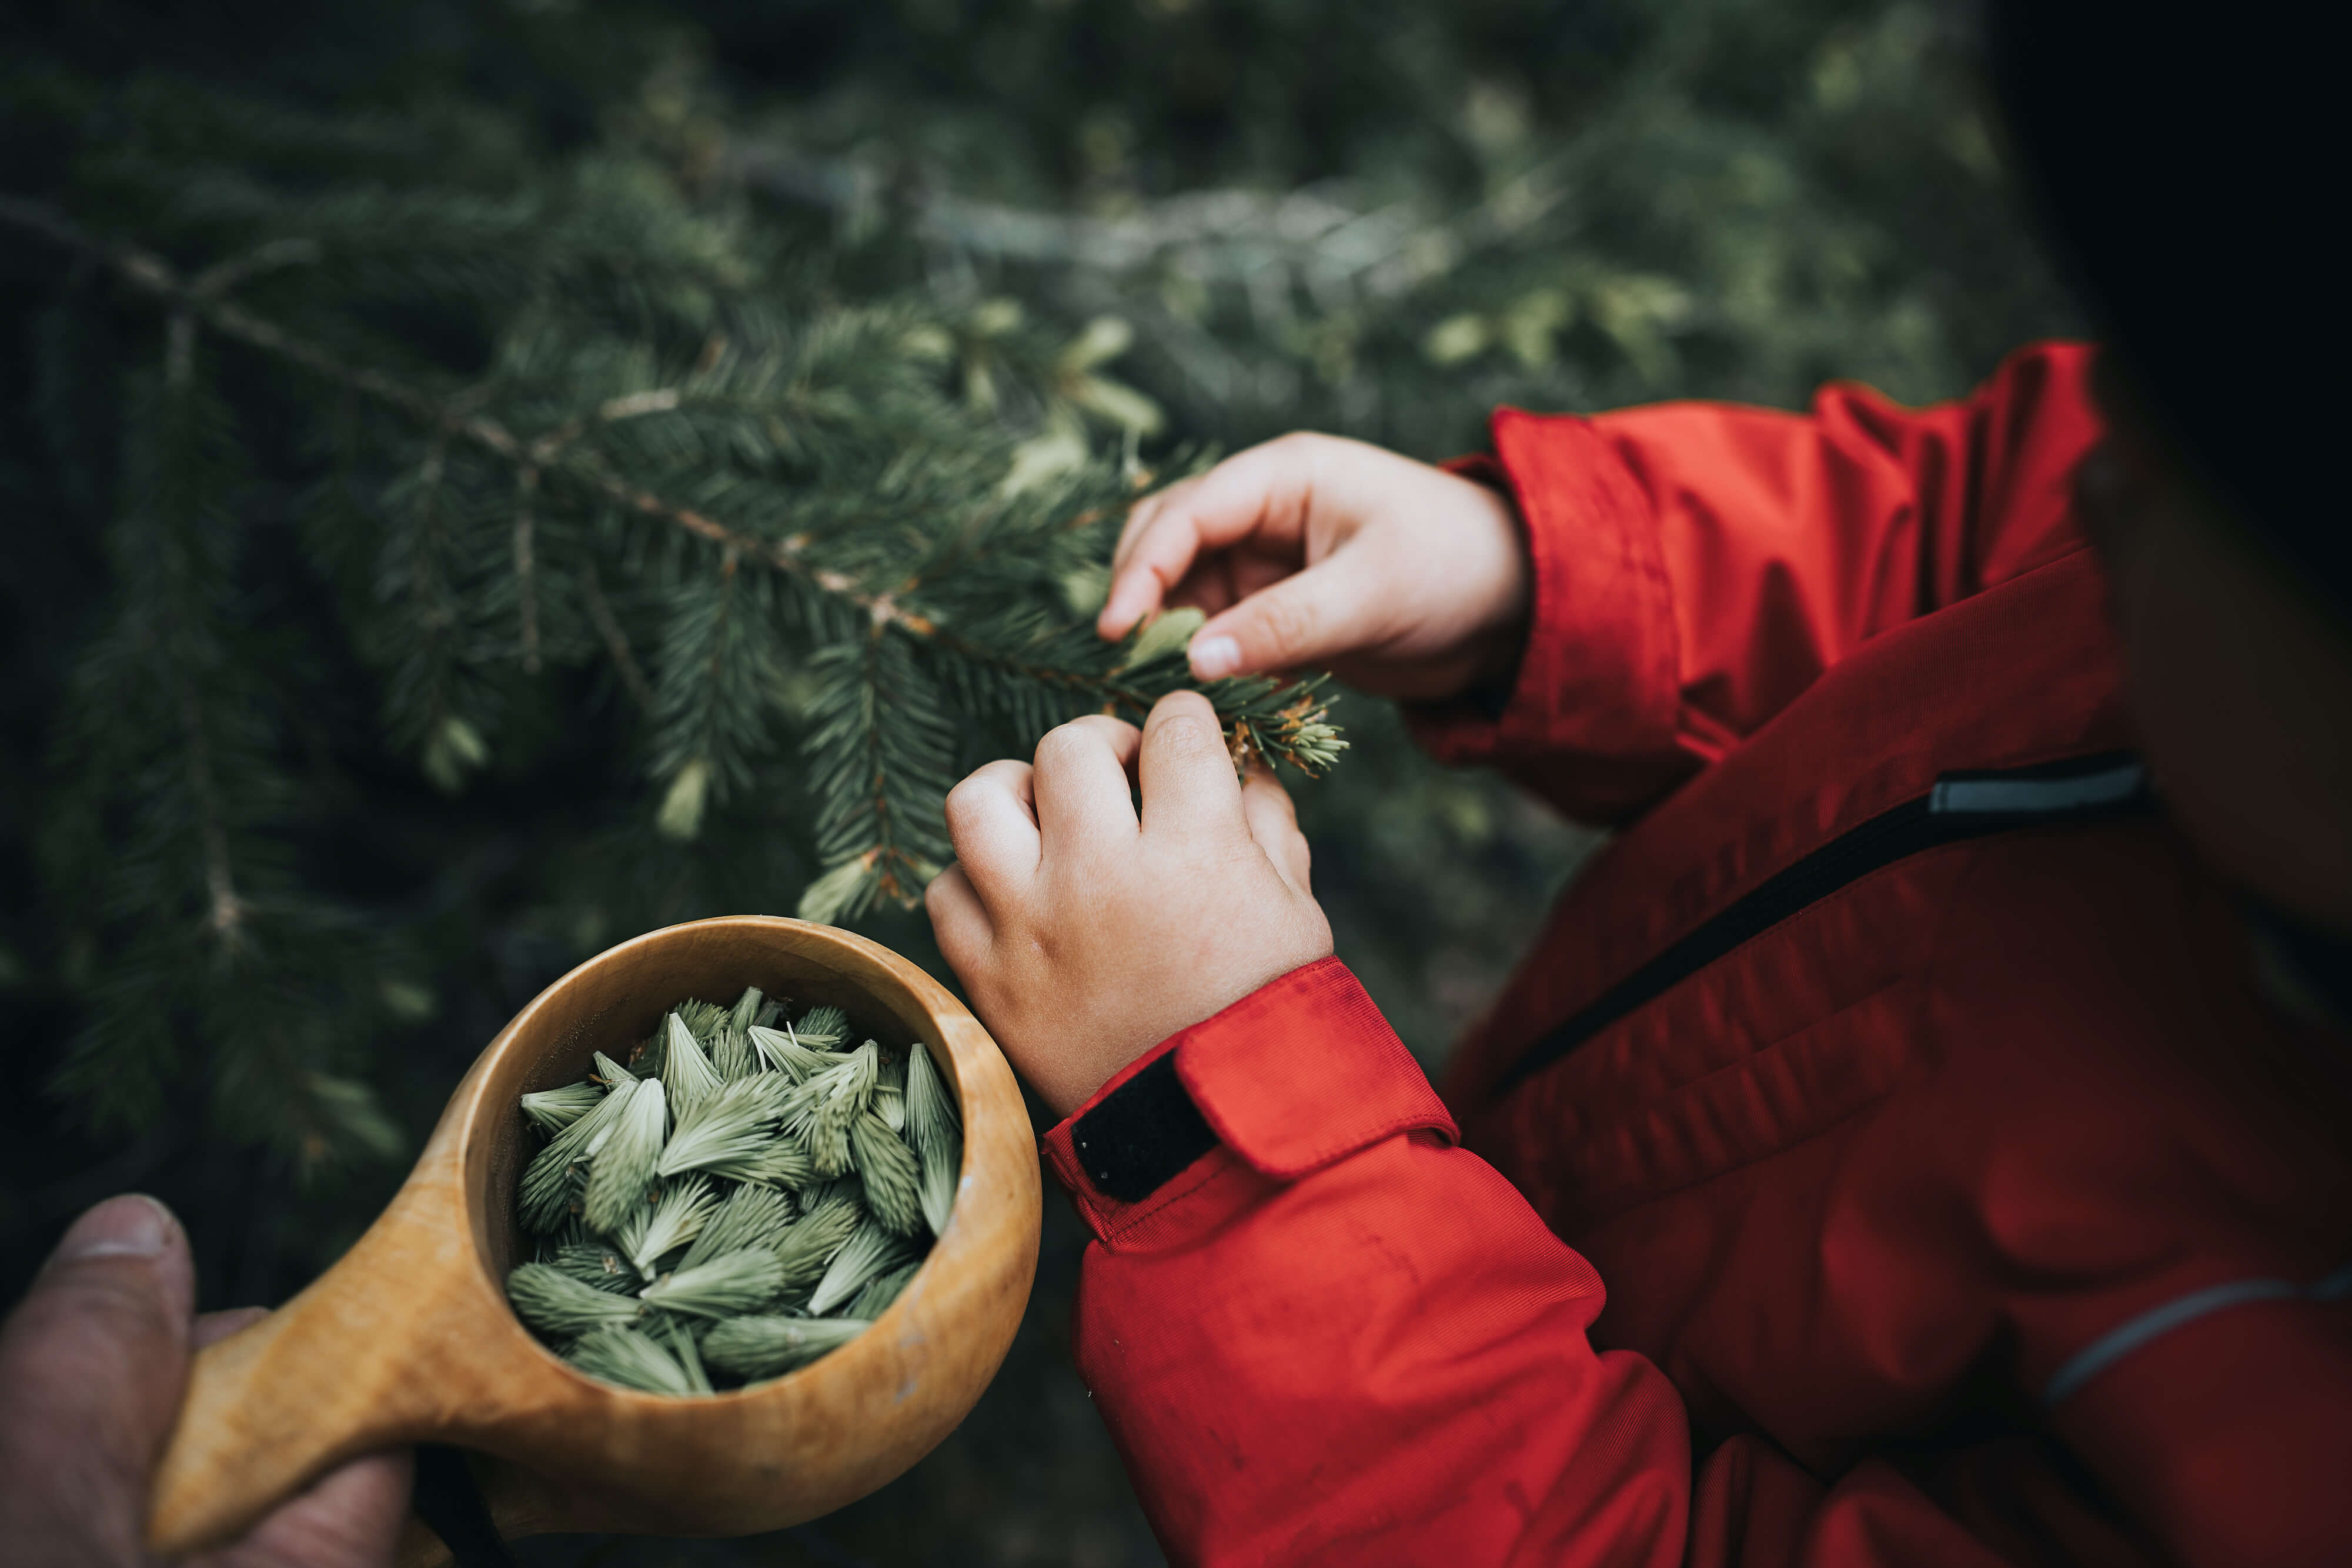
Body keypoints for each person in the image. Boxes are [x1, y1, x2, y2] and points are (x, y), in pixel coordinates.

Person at [924, 8, 2351, 1567]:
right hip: (1547, 1188)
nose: (2094, 489)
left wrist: (1219, 1131)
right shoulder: (2243, 516)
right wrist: (1546, 576)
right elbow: (1958, 533)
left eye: (2155, 498)